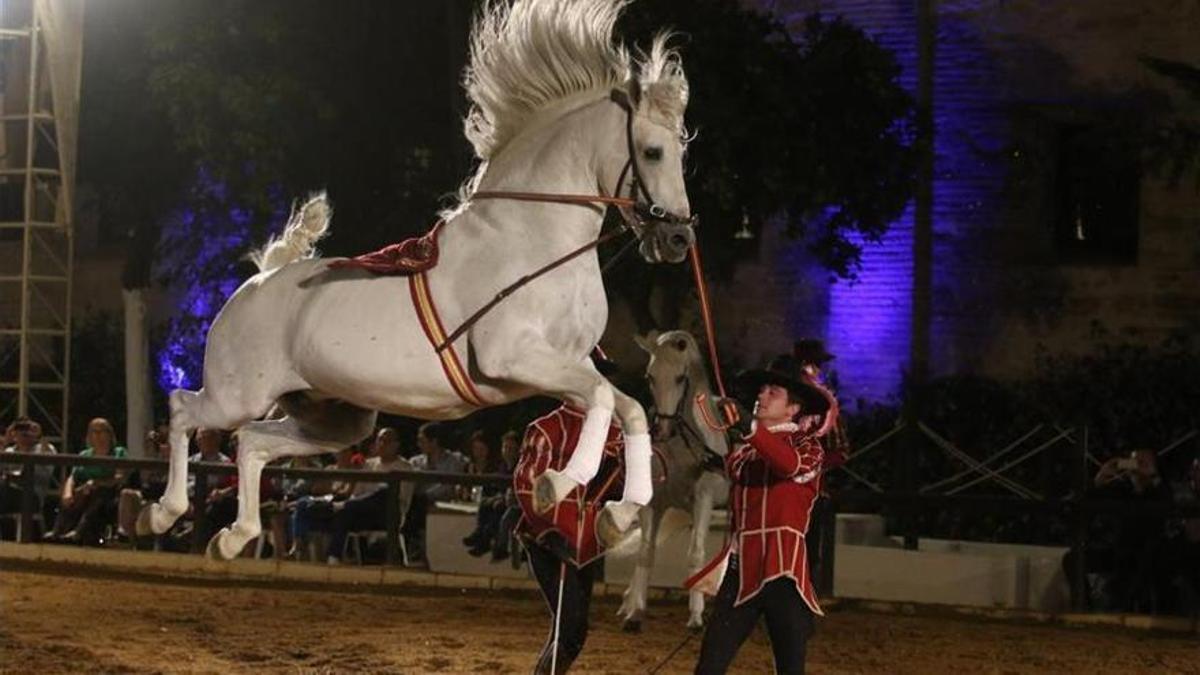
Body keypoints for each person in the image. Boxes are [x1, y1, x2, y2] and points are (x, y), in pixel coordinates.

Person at [689, 355, 831, 675]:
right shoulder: (744, 451)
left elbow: (788, 465)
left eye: (773, 392)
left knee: (791, 669)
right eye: (762, 391)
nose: (762, 397)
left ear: (793, 409)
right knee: (708, 667)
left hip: (786, 575)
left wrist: (751, 428)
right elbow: (741, 460)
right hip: (742, 572)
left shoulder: (808, 447)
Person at [514, 400, 625, 674]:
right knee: (572, 628)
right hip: (547, 541)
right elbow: (526, 483)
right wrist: (550, 532)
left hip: (583, 542)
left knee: (572, 629)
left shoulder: (614, 432)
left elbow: (617, 487)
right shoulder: (546, 428)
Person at [792, 338, 850, 591]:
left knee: (807, 549)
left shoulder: (825, 404)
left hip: (810, 489)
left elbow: (841, 450)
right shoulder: (787, 398)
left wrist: (810, 467)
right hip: (793, 487)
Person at [325, 427, 413, 564]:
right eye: (380, 440)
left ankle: (343, 506)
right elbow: (358, 493)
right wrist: (355, 476)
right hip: (364, 512)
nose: (382, 444)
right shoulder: (368, 464)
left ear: (396, 445)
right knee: (344, 513)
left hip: (389, 514)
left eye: (387, 441)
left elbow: (401, 497)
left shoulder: (405, 467)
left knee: (384, 493)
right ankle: (334, 557)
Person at [43, 418, 127, 545]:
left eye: (102, 431)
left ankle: (78, 532)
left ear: (109, 434)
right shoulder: (85, 454)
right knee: (73, 495)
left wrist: (97, 482)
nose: (98, 435)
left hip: (108, 492)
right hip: (85, 490)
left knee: (98, 496)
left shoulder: (118, 452)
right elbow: (72, 477)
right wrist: (67, 493)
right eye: (94, 431)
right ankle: (57, 531)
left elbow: (120, 477)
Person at [403, 422, 467, 561]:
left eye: (422, 440)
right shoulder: (415, 462)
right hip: (417, 503)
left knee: (417, 505)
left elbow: (448, 487)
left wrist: (426, 495)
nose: (418, 444)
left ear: (434, 441)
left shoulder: (453, 460)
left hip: (442, 502)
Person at [1, 417, 59, 533]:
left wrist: (39, 436)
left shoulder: (43, 449)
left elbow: (46, 468)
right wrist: (6, 440)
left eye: (27, 428)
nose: (23, 432)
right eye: (19, 428)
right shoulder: (9, 452)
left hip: (32, 497)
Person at [462, 431, 510, 557]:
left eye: (481, 449)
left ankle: (485, 538)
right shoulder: (469, 466)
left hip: (498, 500)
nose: (478, 452)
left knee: (494, 507)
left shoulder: (496, 467)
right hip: (474, 501)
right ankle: (480, 535)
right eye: (475, 448)